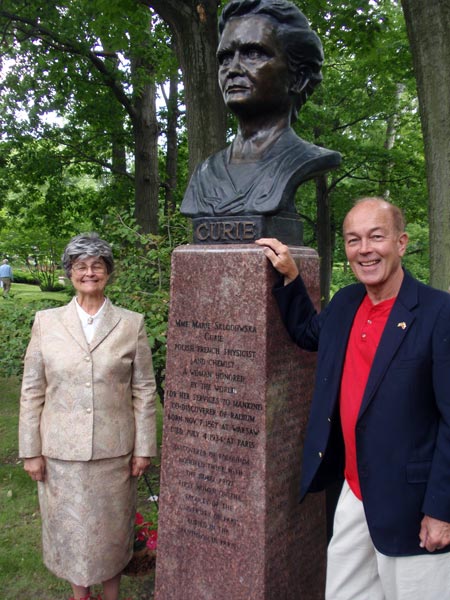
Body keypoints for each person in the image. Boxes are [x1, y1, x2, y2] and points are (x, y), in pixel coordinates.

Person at [256, 197, 450, 600]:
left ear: (401, 242)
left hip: (411, 505)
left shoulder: (438, 313)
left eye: (376, 237)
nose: (365, 249)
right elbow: (311, 335)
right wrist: (291, 278)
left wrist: (441, 509)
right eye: (353, 239)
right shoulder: (346, 302)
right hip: (354, 492)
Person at [19, 233, 157, 600]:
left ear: (108, 272)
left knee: (110, 536)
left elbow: (144, 390)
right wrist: (30, 450)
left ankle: (110, 596)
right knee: (71, 536)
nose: (89, 272)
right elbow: (32, 390)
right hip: (60, 454)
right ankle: (80, 597)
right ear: (69, 273)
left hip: (114, 453)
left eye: (97, 265)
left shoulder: (131, 324)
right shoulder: (46, 322)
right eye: (81, 266)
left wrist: (144, 447)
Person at [180, 0, 341, 219]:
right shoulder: (205, 174)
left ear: (299, 77)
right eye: (225, 58)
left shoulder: (304, 160)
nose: (233, 69)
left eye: (253, 54)